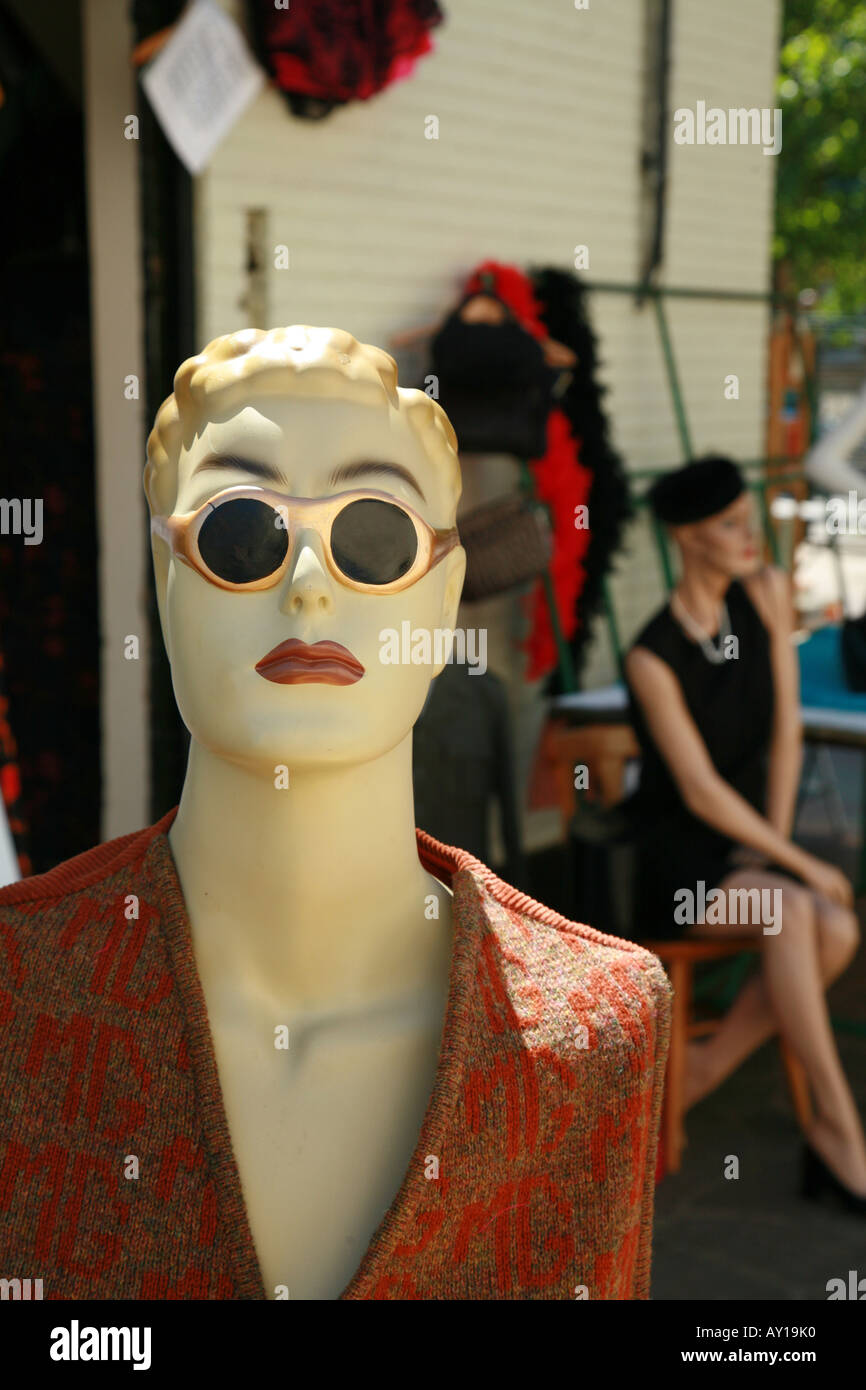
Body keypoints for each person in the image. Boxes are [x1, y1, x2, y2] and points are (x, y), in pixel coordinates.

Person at [0, 324, 671, 1299]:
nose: (307, 584)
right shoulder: (22, 1000)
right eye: (241, 531)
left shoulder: (596, 1029)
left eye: (373, 534)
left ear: (442, 601)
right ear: (164, 581)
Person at [624, 454, 866, 1212]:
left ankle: (702, 1070)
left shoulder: (763, 600)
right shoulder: (650, 656)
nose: (749, 535)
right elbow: (696, 791)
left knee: (838, 930)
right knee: (797, 909)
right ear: (689, 538)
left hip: (753, 842)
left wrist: (773, 842)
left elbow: (787, 732)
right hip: (683, 862)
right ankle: (837, 1126)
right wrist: (799, 863)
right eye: (731, 524)